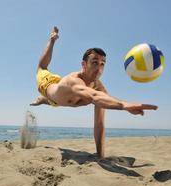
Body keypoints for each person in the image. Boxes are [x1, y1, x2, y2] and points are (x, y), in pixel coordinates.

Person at [30, 26, 158, 158]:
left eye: (103, 63)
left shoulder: (100, 88)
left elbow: (99, 124)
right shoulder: (73, 81)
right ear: (84, 64)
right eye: (95, 62)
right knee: (42, 67)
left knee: (58, 101)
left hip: (61, 99)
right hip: (47, 83)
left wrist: (100, 156)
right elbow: (93, 96)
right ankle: (43, 96)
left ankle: (45, 101)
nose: (99, 68)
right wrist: (124, 105)